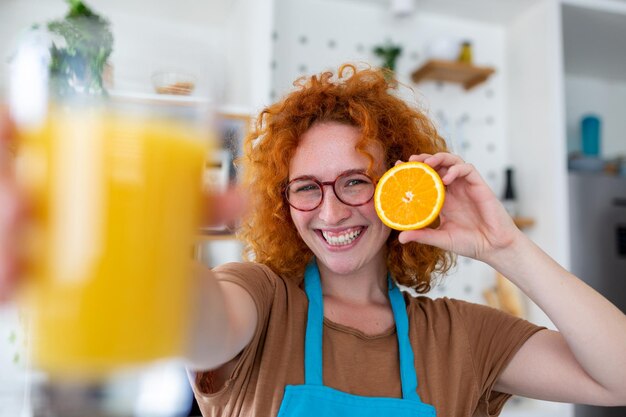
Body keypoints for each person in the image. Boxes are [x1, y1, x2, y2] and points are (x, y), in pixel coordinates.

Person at [2, 65, 626, 417]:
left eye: (356, 181)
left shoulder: (463, 337)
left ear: (398, 188)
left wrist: (505, 248)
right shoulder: (261, 300)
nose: (331, 209)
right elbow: (191, 314)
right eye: (306, 187)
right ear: (282, 202)